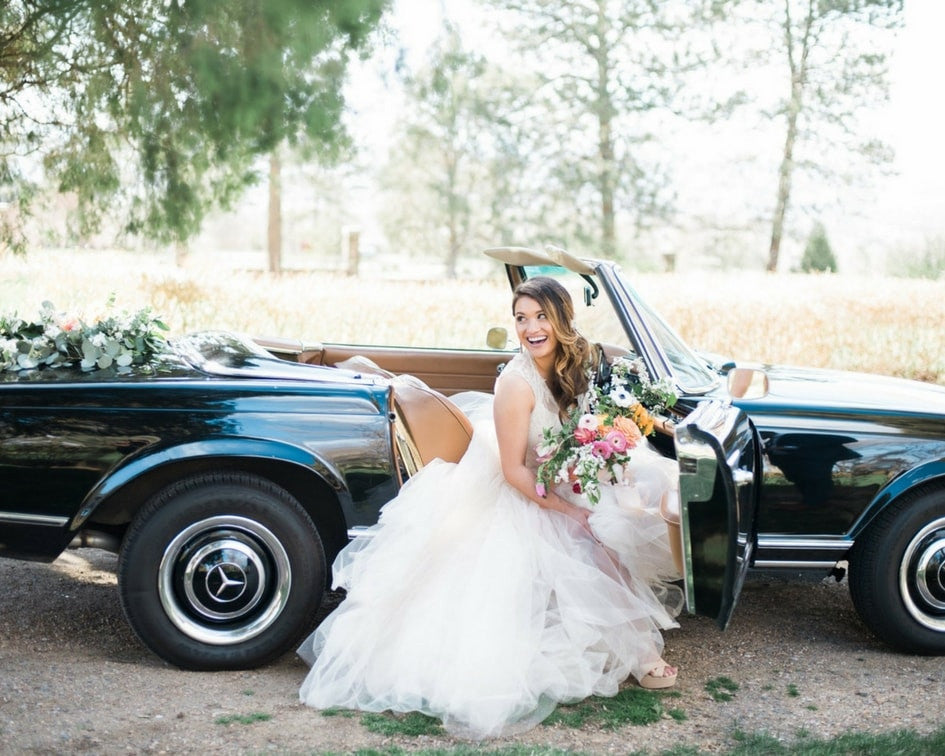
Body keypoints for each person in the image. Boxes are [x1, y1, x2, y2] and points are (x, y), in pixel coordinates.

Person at [299, 276, 681, 740]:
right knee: (591, 533)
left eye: (540, 317)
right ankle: (641, 652)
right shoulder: (515, 386)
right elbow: (514, 472)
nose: (530, 328)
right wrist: (567, 510)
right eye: (521, 319)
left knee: (641, 486)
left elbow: (589, 422)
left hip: (560, 469)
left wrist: (612, 447)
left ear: (562, 319)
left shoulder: (577, 362)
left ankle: (636, 627)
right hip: (520, 486)